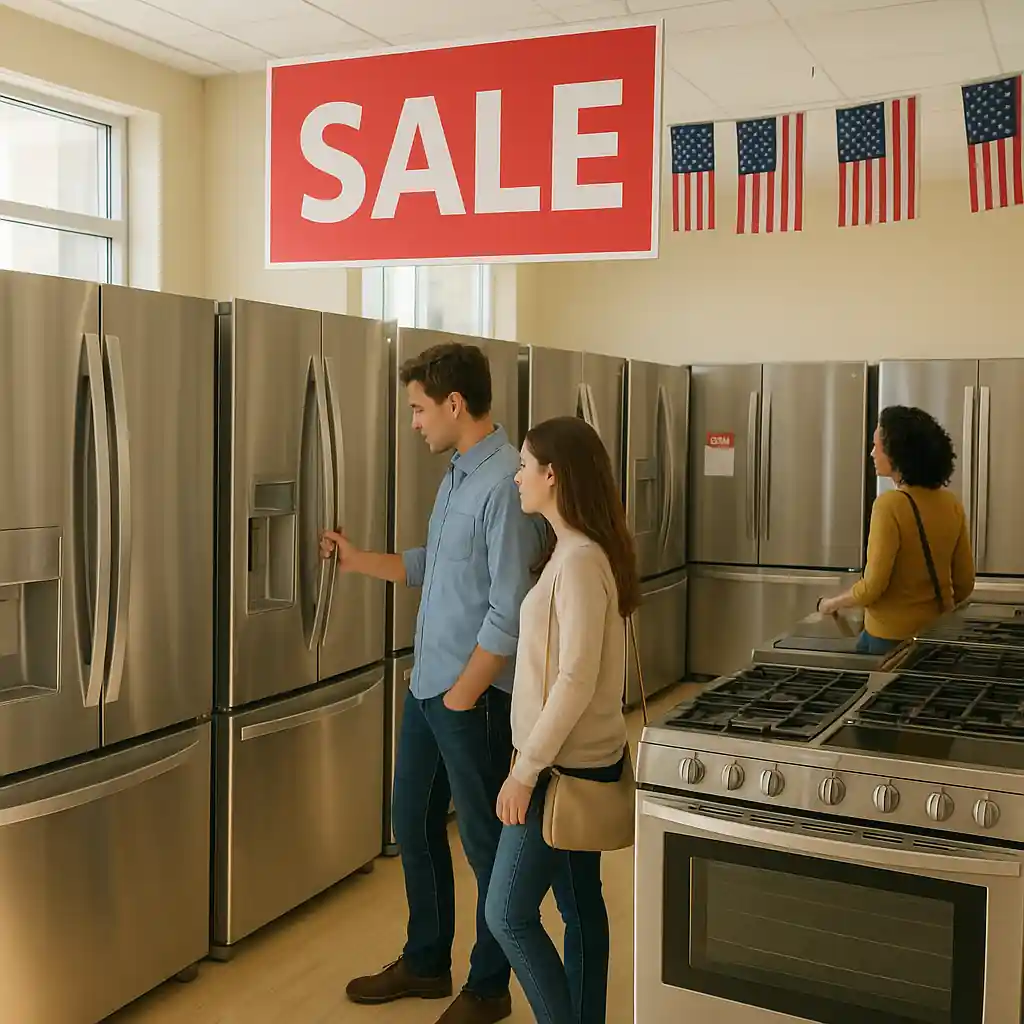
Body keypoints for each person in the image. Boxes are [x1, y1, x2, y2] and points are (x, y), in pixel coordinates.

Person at [321, 343, 545, 1024]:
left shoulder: (507, 483)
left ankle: (488, 987)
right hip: (430, 688)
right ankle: (425, 963)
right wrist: (361, 562)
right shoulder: (456, 475)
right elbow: (436, 567)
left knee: (485, 845)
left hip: (467, 697)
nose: (414, 421)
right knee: (413, 826)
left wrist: (462, 695)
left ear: (453, 404)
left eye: (419, 408)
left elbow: (509, 607)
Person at [484, 416, 639, 1024]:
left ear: (552, 475)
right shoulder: (581, 552)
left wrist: (524, 771)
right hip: (582, 762)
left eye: (525, 465)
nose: (517, 476)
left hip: (558, 771)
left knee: (506, 914)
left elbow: (574, 677)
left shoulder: (577, 561)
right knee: (581, 907)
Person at [818, 405, 975, 654]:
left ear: (897, 453)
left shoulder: (889, 505)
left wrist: (831, 603)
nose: (871, 453)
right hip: (935, 639)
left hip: (888, 640)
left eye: (876, 446)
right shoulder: (951, 504)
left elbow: (873, 587)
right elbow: (965, 583)